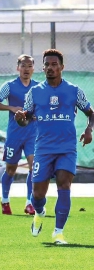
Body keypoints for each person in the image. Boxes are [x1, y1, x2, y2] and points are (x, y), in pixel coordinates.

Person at [15, 49, 93, 245]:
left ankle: (58, 233)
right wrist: (20, 119)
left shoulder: (74, 90)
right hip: (43, 149)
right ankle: (39, 212)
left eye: (54, 64)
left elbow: (91, 113)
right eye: (47, 65)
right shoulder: (34, 92)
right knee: (37, 194)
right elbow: (26, 119)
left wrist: (89, 130)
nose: (50, 67)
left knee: (64, 185)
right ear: (43, 68)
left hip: (67, 149)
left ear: (61, 67)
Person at [0, 54, 38, 215]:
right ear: (18, 68)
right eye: (23, 66)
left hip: (32, 134)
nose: (26, 69)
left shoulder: (38, 87)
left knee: (34, 167)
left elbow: (43, 106)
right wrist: (11, 108)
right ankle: (5, 200)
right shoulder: (9, 86)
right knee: (11, 170)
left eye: (29, 66)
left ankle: (30, 203)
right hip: (14, 134)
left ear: (33, 69)